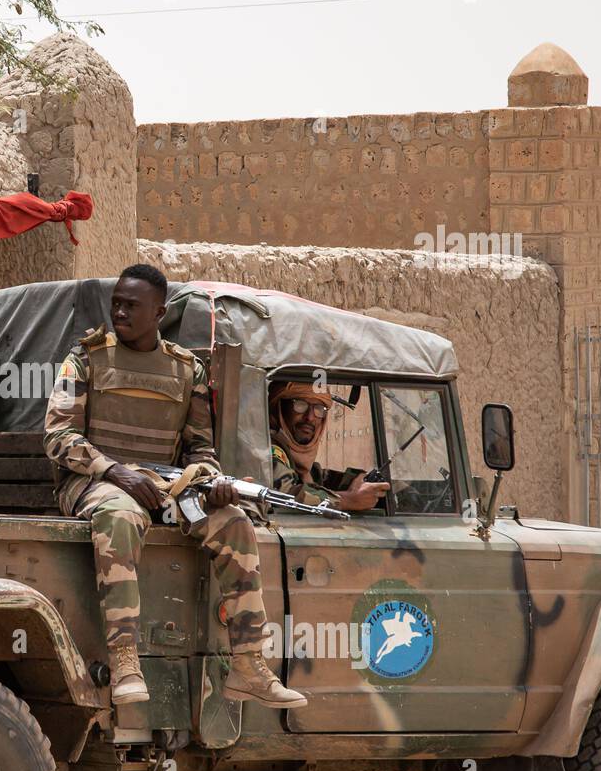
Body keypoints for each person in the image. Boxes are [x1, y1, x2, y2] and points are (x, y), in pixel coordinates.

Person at [44, 264, 306, 709]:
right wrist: (114, 471)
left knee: (234, 522)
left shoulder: (187, 371)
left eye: (132, 306)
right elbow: (58, 437)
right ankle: (125, 658)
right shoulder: (86, 359)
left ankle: (247, 666)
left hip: (165, 485)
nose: (120, 312)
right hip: (93, 483)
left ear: (159, 312)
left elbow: (200, 448)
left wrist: (208, 482)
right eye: (117, 304)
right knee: (120, 515)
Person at [269, 382, 391, 511]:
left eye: (319, 409)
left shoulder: (302, 467)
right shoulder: (270, 452)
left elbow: (322, 479)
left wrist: (361, 481)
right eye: (300, 405)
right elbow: (284, 495)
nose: (310, 417)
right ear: (280, 409)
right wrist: (347, 500)